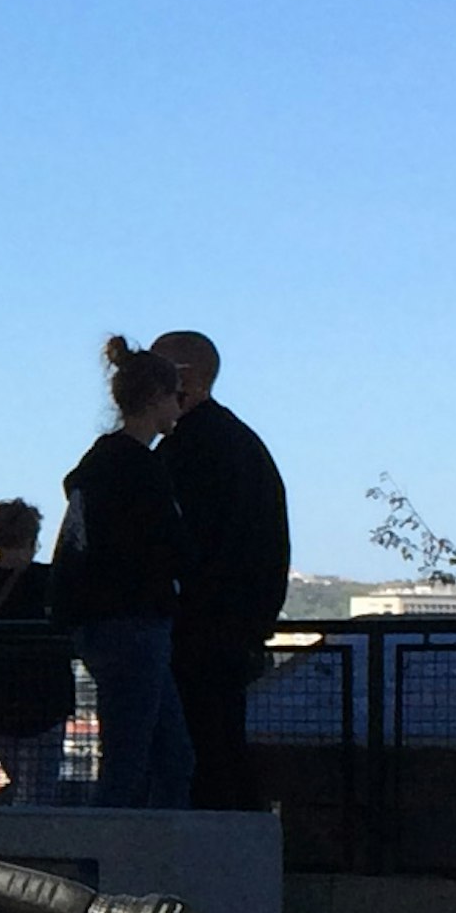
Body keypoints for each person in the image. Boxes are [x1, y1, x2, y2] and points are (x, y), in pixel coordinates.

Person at [150, 329, 294, 814]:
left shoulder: (188, 449)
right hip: (230, 631)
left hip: (194, 634)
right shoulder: (239, 445)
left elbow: (176, 545)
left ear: (181, 380)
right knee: (220, 755)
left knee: (191, 760)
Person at [55, 341, 195, 810]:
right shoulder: (141, 470)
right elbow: (166, 548)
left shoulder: (99, 470)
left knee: (155, 755)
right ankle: (116, 867)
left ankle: (121, 864)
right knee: (138, 760)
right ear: (155, 398)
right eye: (176, 394)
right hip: (135, 620)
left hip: (105, 623)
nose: (180, 403)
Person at [0, 500, 74, 804]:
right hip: (45, 701)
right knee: (38, 789)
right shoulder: (50, 582)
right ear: (32, 537)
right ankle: (30, 846)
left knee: (25, 785)